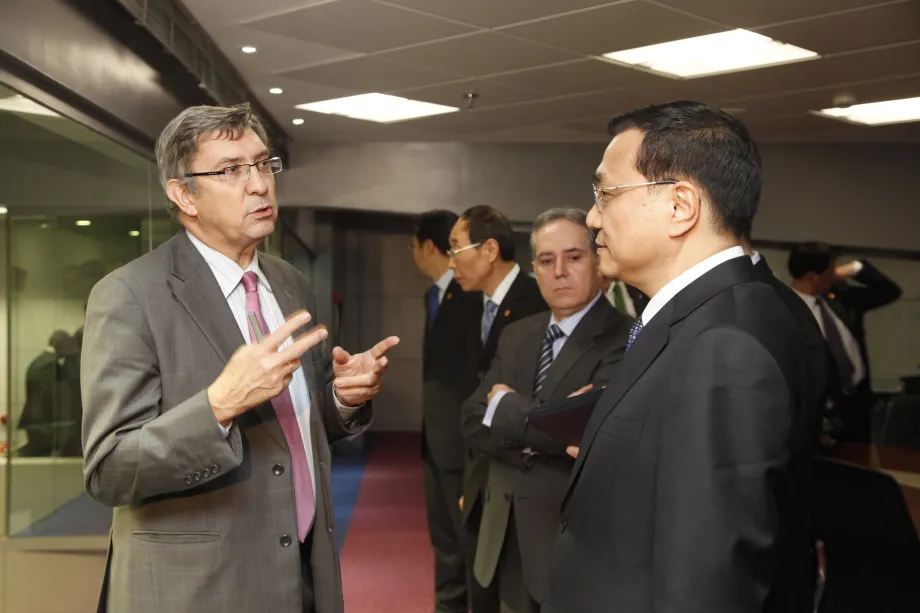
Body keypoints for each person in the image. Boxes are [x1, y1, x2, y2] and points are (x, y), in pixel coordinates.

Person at [81, 102, 399, 613]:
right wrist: (219, 406)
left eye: (262, 164)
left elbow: (287, 431)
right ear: (183, 194)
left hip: (302, 568)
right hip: (199, 588)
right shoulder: (129, 294)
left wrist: (341, 399)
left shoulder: (290, 283)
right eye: (231, 170)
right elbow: (110, 469)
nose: (258, 185)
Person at [549, 101, 814, 613]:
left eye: (605, 193)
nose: (592, 217)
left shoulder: (724, 344)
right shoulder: (710, 316)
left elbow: (707, 584)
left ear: (680, 206)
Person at [461, 207, 632, 613]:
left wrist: (506, 408)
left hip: (573, 536)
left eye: (573, 257)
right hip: (504, 529)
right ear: (534, 270)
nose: (559, 272)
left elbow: (590, 430)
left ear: (598, 262)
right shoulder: (517, 334)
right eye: (546, 260)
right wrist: (549, 424)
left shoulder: (625, 337)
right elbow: (471, 419)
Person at [448, 204, 548, 613]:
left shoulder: (536, 304)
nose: (450, 261)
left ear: (489, 249)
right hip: (481, 473)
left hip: (521, 479)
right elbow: (476, 403)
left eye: (456, 248)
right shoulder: (471, 304)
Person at [411, 209, 483, 613]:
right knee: (444, 547)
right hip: (433, 445)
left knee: (470, 548)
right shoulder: (432, 296)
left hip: (462, 446)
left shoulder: (474, 296)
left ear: (427, 247)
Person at [788, 243, 902, 442]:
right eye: (831, 269)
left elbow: (889, 292)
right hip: (820, 410)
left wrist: (856, 269)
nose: (835, 273)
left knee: (860, 459)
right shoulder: (786, 309)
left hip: (857, 403)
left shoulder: (841, 298)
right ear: (813, 276)